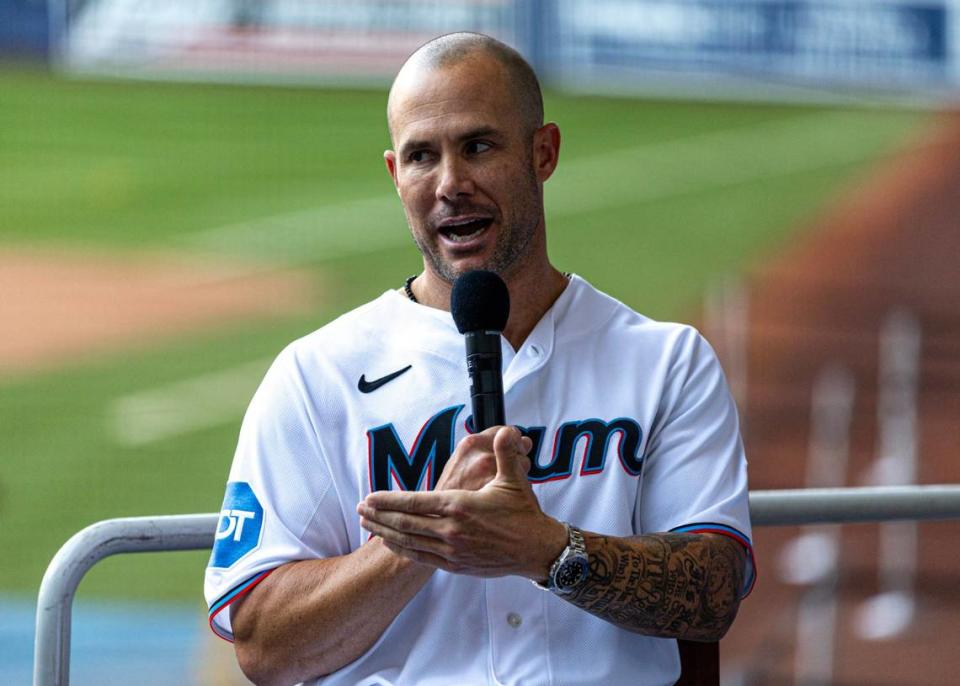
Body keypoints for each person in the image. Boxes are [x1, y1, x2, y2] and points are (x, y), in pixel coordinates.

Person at [204, 32, 754, 686]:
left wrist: (545, 548)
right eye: (421, 157)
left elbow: (712, 591)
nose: (450, 185)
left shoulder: (665, 362)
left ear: (542, 152)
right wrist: (419, 545)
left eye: (478, 146)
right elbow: (264, 646)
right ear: (394, 175)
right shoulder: (317, 376)